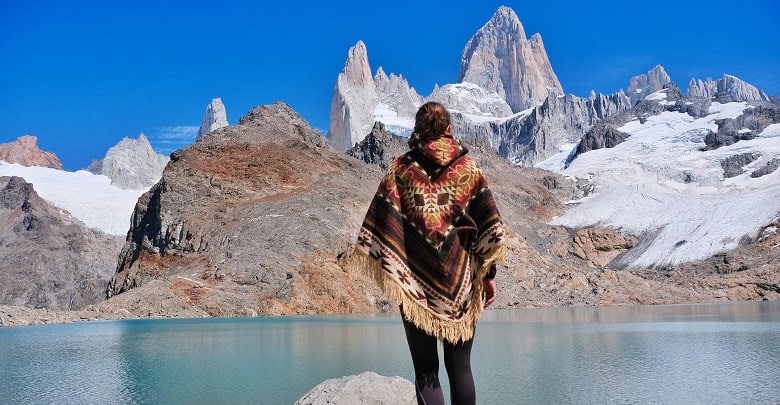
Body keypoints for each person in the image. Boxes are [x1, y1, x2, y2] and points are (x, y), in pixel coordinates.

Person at [352, 101, 506, 404]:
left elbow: (383, 223)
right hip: (462, 283)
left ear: (417, 130)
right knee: (460, 367)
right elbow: (488, 228)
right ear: (448, 128)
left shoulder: (401, 170)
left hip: (415, 286)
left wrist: (394, 269)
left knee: (426, 371)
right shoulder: (469, 170)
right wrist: (488, 277)